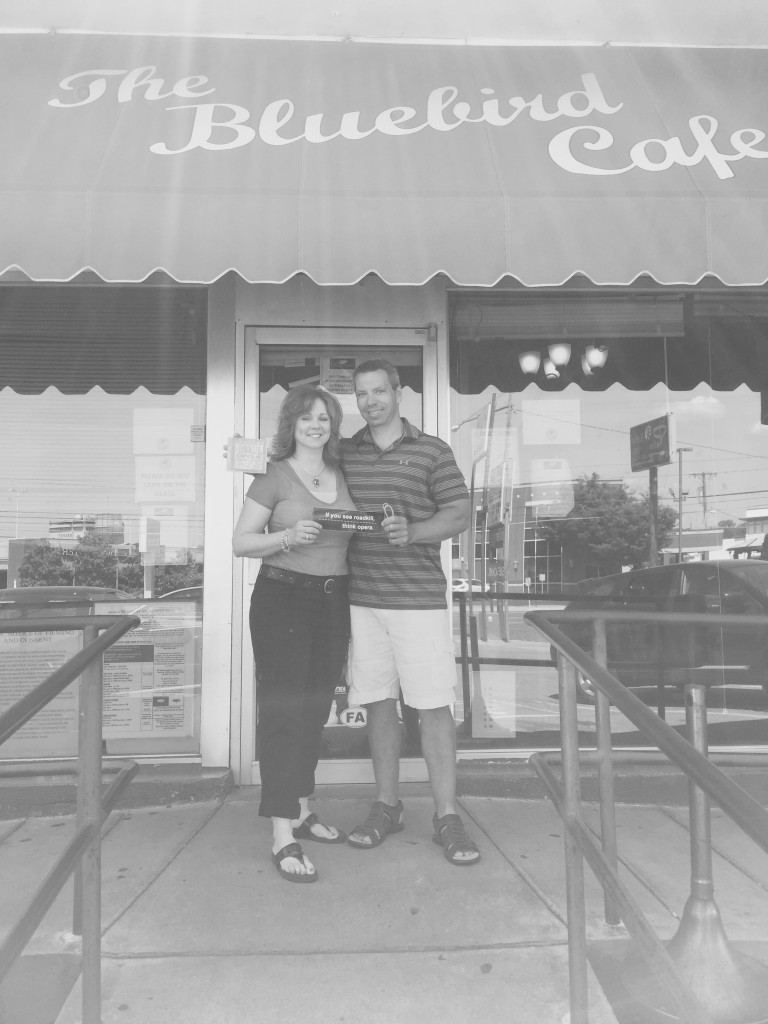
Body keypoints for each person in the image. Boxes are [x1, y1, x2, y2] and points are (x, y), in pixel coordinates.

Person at [342, 359, 481, 865]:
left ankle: (446, 815)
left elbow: (461, 512)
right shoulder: (347, 452)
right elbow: (303, 476)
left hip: (417, 598)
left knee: (432, 706)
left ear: (399, 393)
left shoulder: (431, 450)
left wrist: (416, 532)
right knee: (379, 702)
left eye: (379, 391)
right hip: (363, 598)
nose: (371, 401)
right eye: (362, 394)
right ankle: (387, 806)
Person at [232, 384, 356, 883]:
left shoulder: (343, 473)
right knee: (284, 711)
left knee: (314, 708)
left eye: (324, 418)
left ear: (333, 425)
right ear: (292, 423)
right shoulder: (274, 474)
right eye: (306, 417)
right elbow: (240, 542)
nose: (315, 425)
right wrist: (285, 537)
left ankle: (302, 810)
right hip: (282, 597)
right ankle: (281, 833)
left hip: (333, 599)